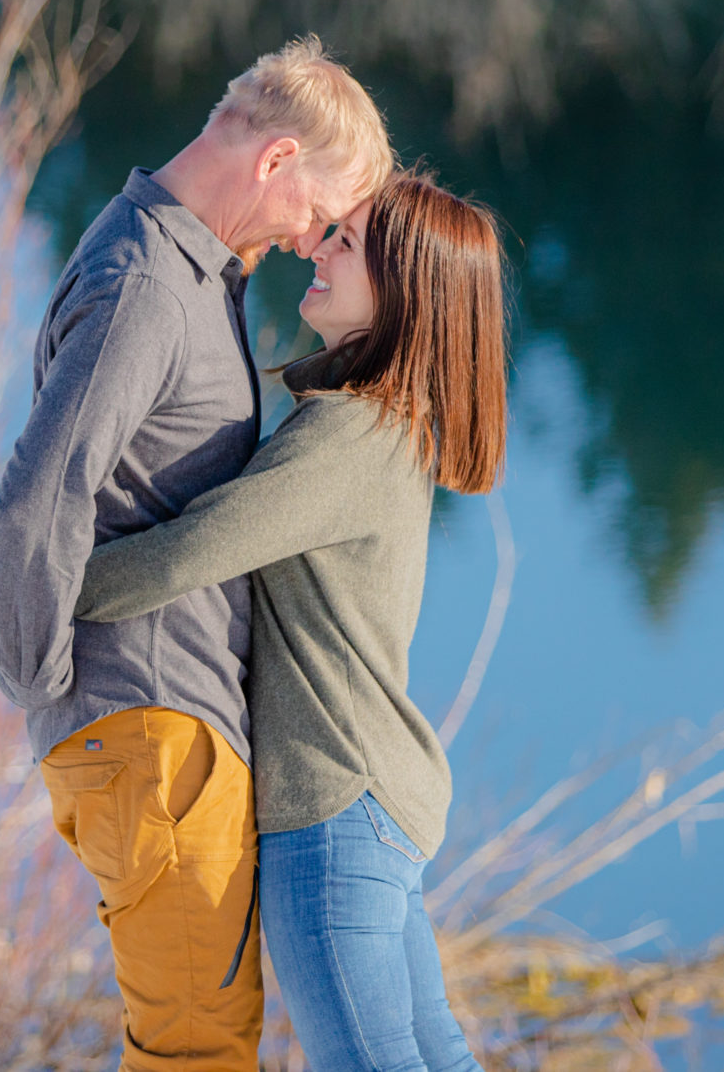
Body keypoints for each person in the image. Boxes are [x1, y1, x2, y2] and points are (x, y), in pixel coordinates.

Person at [0, 36, 392, 1072]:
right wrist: (40, 680)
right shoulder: (148, 288)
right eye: (318, 212)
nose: (312, 240)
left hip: (164, 735)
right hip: (156, 734)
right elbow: (37, 503)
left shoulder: (186, 266)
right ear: (274, 161)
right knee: (196, 1054)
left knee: (191, 1045)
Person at [71, 172, 508, 1072]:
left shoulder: (351, 435)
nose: (317, 247)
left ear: (406, 289)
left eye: (346, 242)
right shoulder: (390, 428)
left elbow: (188, 551)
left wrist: (39, 593)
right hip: (376, 799)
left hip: (334, 811)